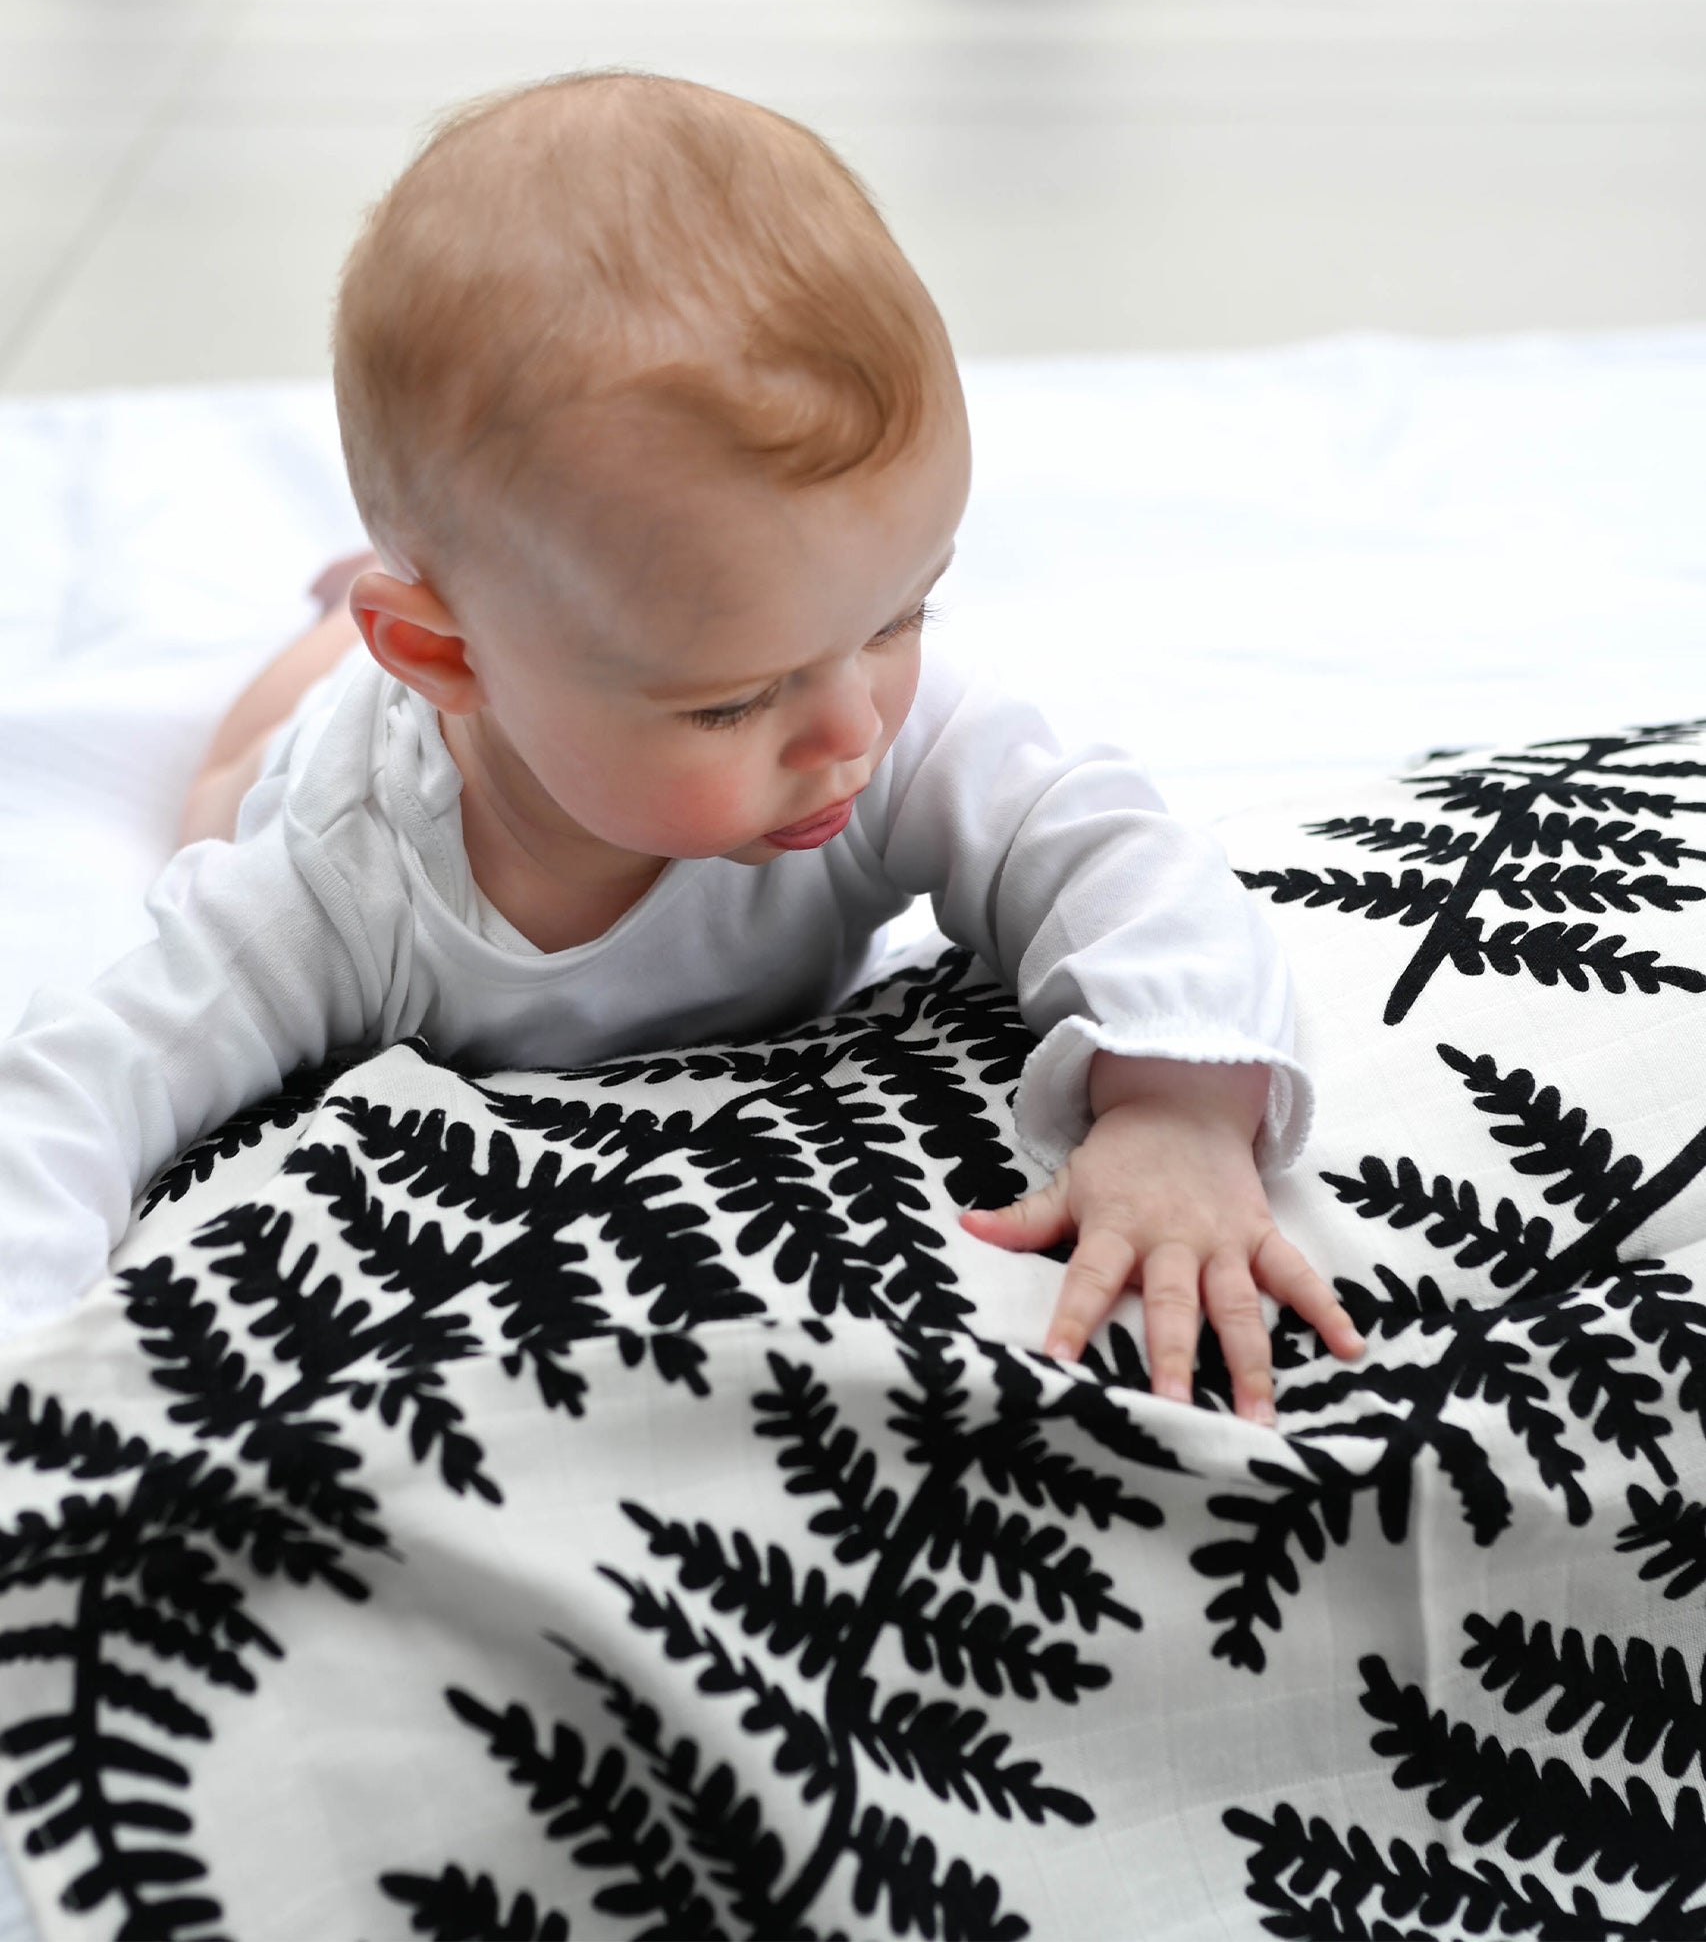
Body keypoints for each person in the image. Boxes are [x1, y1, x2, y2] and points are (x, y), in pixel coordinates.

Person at [0, 69, 1362, 1423]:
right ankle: (333, 622)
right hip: (321, 745)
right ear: (444, 658)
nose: (852, 726)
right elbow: (79, 1079)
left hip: (497, 651)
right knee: (231, 770)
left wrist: (1175, 1107)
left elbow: (1107, 846)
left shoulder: (873, 720)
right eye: (731, 700)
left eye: (901, 611)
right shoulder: (327, 884)